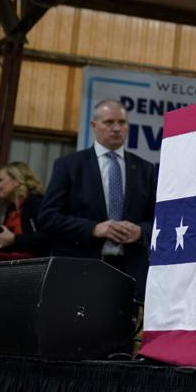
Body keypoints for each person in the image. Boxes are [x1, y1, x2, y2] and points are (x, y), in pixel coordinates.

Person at [38, 99, 157, 297]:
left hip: (130, 272)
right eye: (109, 122)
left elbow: (158, 220)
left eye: (122, 122)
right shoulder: (69, 165)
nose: (117, 128)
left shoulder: (145, 169)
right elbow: (47, 218)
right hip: (80, 269)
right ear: (94, 126)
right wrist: (94, 228)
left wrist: (140, 232)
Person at [0, 161, 50, 257]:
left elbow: (48, 237)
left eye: (0, 180)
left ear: (16, 181)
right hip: (16, 264)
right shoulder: (11, 208)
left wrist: (14, 239)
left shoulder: (36, 203)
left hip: (37, 266)